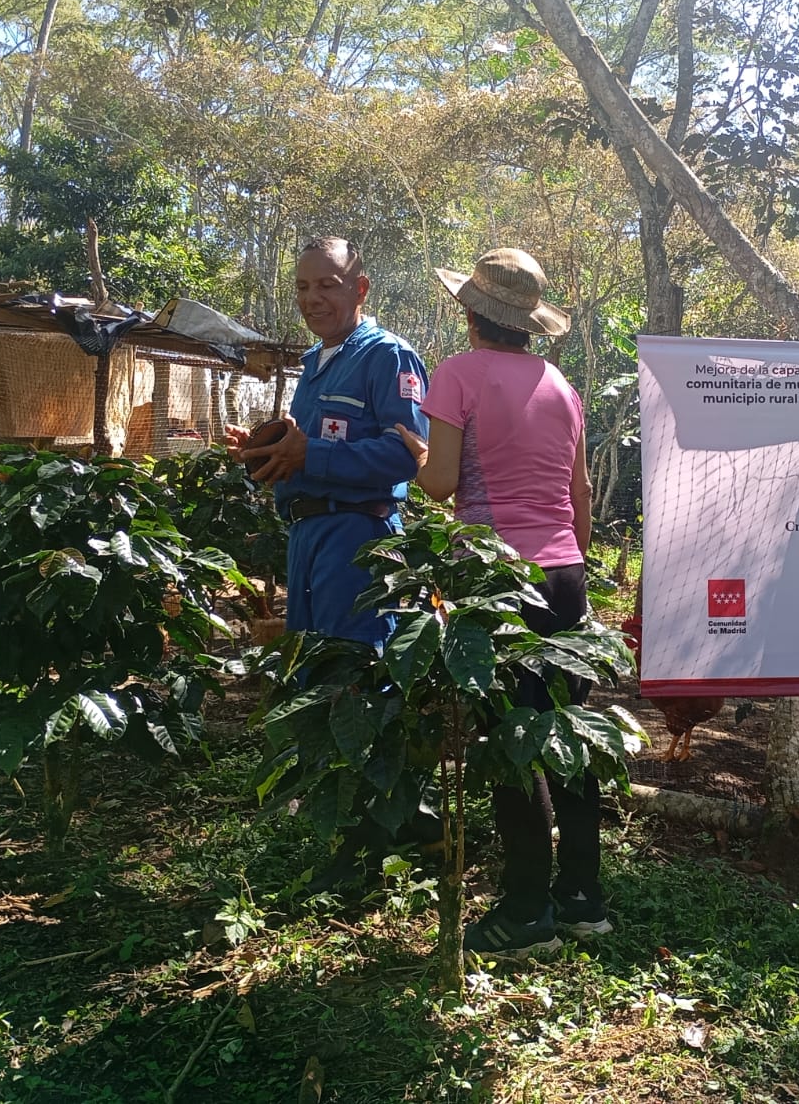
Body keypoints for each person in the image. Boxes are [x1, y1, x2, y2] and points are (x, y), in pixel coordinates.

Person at [396, 247, 606, 958]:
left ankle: (523, 914)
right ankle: (582, 900)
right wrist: (572, 571)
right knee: (565, 734)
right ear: (527, 323)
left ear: (469, 313)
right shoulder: (562, 385)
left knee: (515, 743)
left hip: (495, 582)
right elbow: (579, 500)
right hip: (565, 575)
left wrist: (415, 450)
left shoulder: (457, 376)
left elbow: (439, 484)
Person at [231, 236, 429, 646]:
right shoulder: (314, 363)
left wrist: (310, 454)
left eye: (327, 285)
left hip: (356, 536)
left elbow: (405, 455)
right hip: (305, 533)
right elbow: (301, 446)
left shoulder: (388, 356)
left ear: (360, 289)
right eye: (303, 287)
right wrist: (262, 449)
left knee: (352, 668)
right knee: (310, 666)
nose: (311, 299)